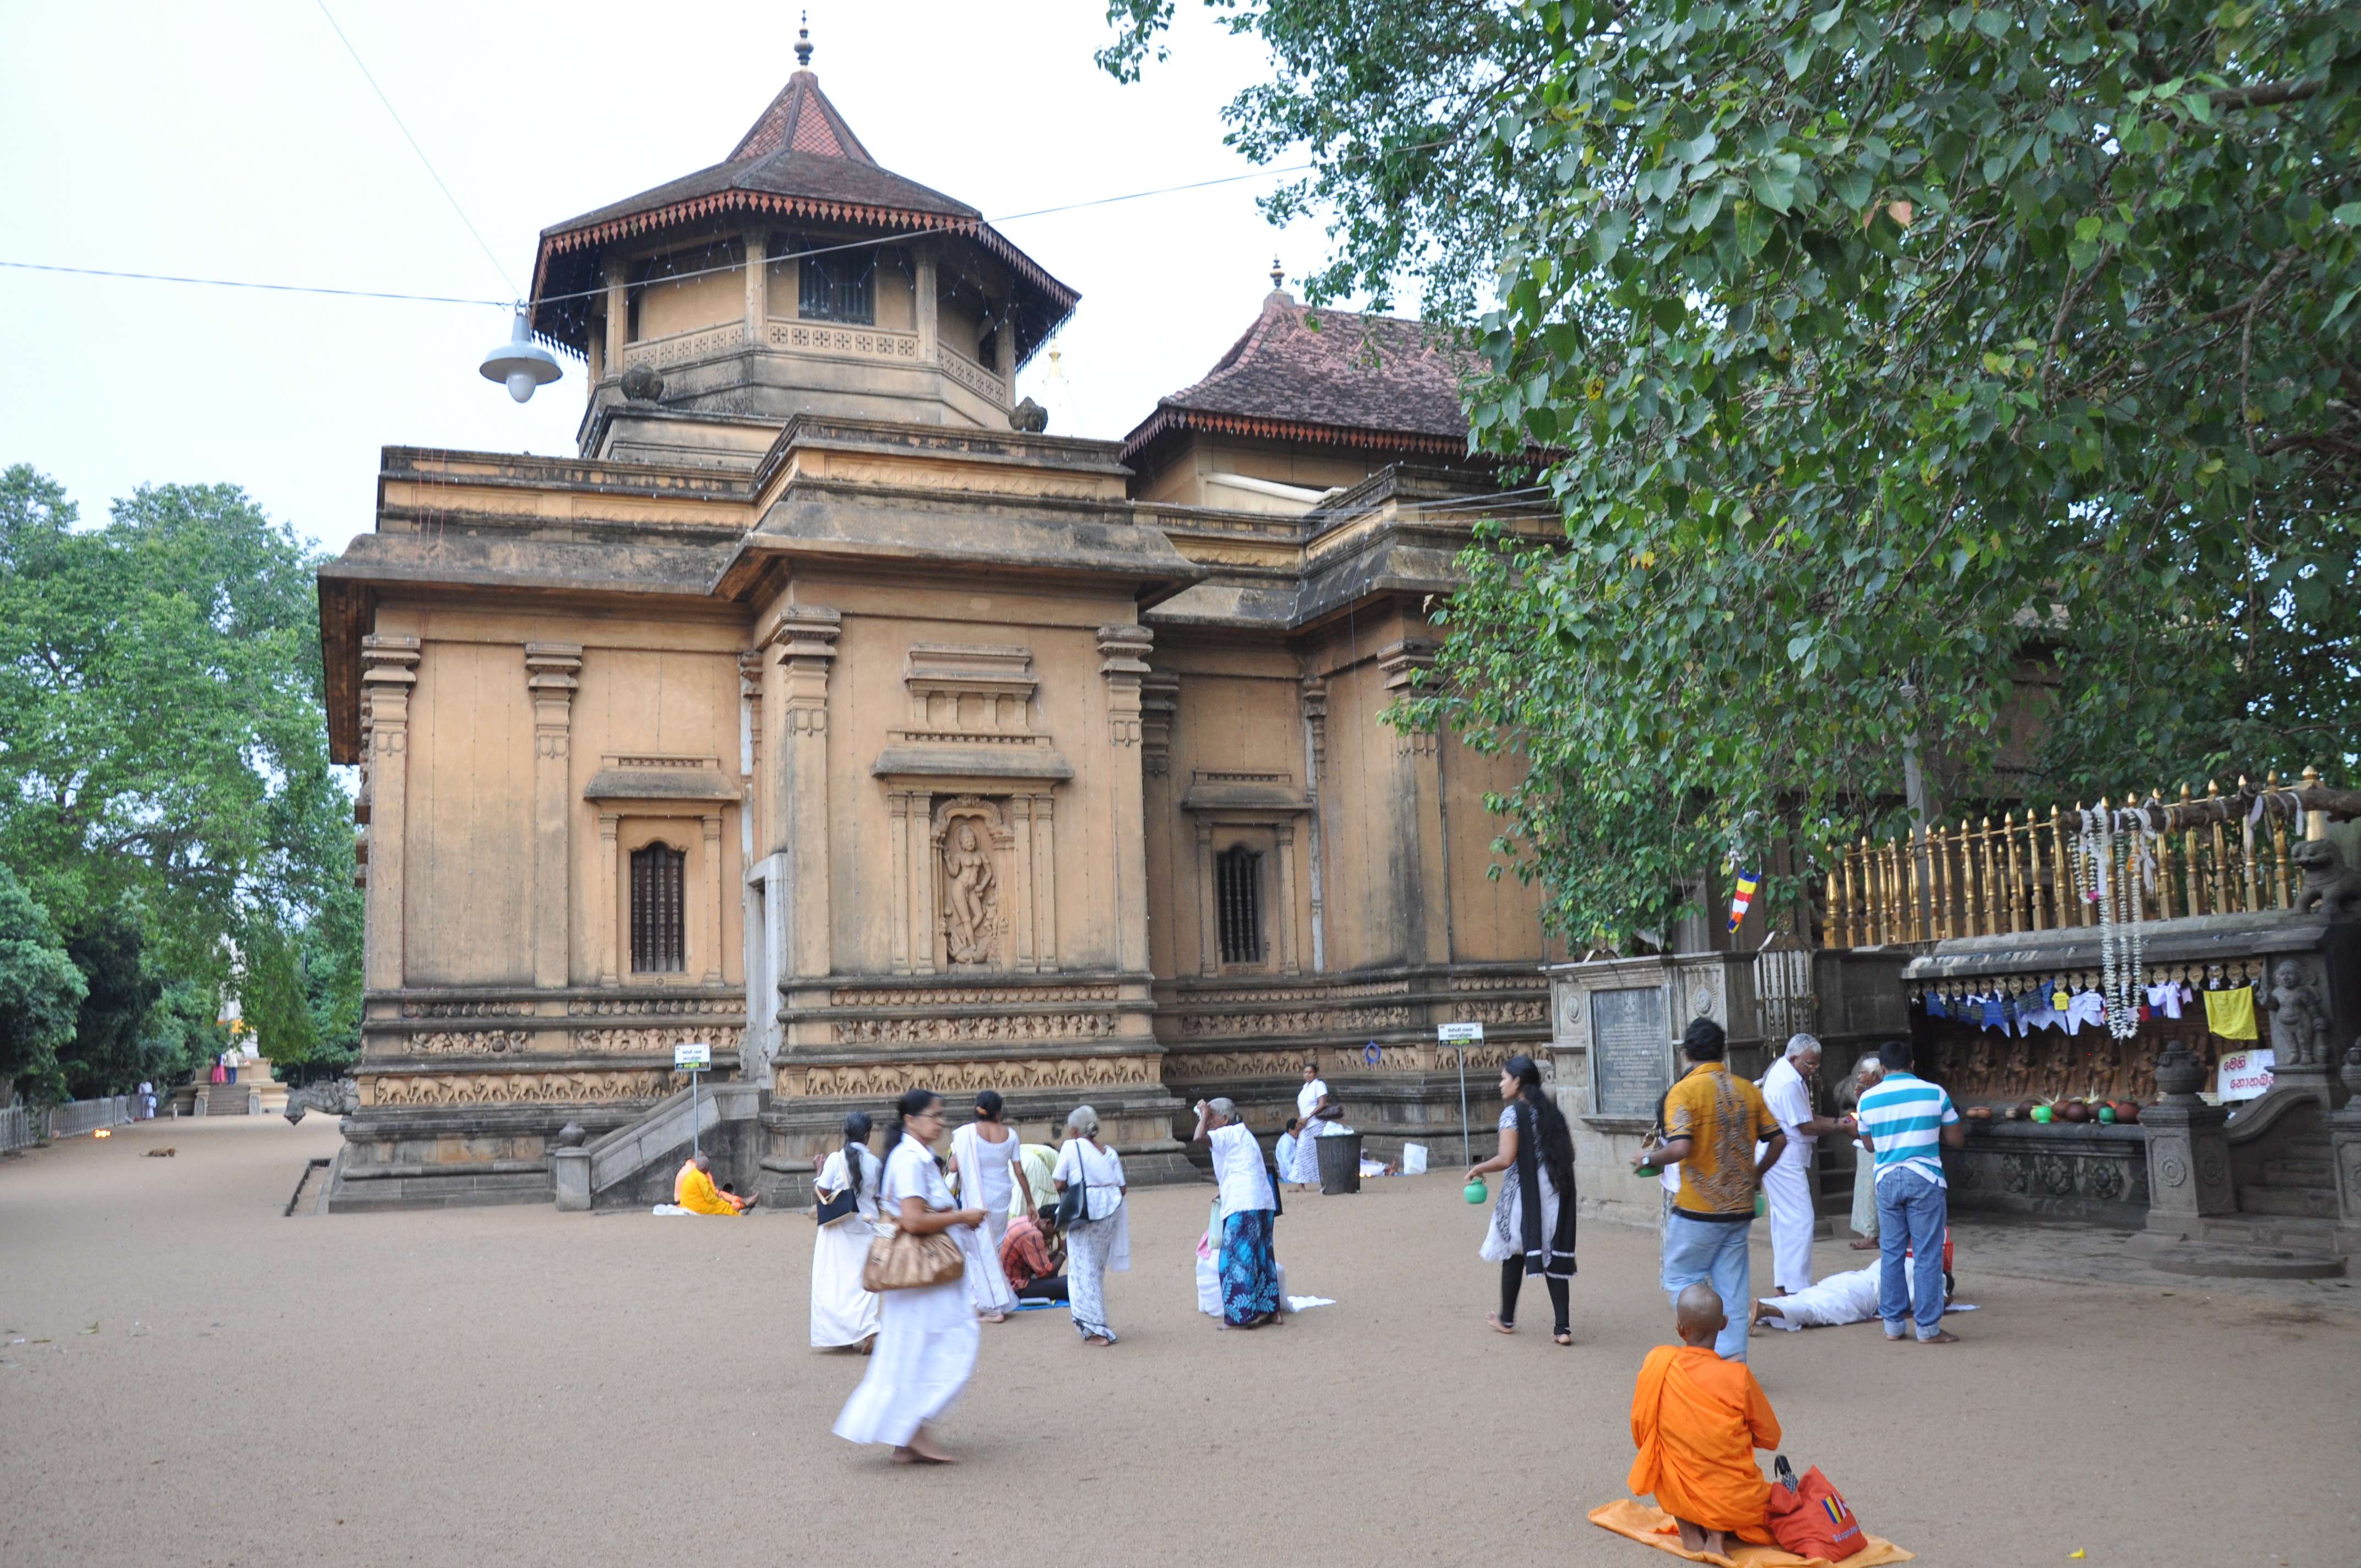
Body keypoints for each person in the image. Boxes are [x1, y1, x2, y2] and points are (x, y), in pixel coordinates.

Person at [833, 1088, 987, 1464]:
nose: (940, 1123)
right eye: (934, 1116)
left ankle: (907, 1433)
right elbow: (915, 1220)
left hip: (924, 1277)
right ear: (911, 1121)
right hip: (924, 1274)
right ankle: (911, 1429)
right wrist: (962, 1216)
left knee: (915, 1349)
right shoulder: (910, 1161)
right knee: (942, 1343)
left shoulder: (913, 1157)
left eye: (941, 1116)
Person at [1634, 1017, 1783, 1361]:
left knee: (1679, 1276)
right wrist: (1755, 1175)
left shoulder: (1683, 1092)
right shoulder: (1748, 1090)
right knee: (1732, 1286)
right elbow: (1779, 1140)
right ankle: (1733, 1363)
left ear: (1686, 1053)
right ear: (1724, 1050)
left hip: (1698, 1208)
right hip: (1740, 1207)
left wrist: (1646, 1159)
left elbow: (1681, 1147)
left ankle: (1702, 1348)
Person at [1628, 1283, 1785, 1558]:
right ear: (1724, 1324)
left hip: (1679, 1486)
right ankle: (1716, 1534)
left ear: (1679, 1328)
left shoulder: (1658, 1362)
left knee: (1663, 1453)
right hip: (1733, 1499)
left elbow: (1642, 1430)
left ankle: (1689, 1527)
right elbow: (1771, 1438)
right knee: (1728, 1467)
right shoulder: (1738, 1378)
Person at [1853, 1036, 1965, 1344]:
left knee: (1892, 1252)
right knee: (1928, 1254)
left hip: (1887, 1179)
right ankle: (1928, 1328)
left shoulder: (1868, 1100)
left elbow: (1869, 1144)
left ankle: (1893, 1326)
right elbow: (1957, 1139)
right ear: (1913, 1065)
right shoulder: (1935, 1093)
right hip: (1925, 1177)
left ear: (1883, 1068)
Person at [1464, 1054, 1579, 1344]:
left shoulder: (1513, 1114)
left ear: (1518, 1082)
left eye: (1504, 1078)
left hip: (1524, 1194)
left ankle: (1506, 1318)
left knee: (1513, 1250)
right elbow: (1571, 1154)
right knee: (1552, 1253)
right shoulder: (1553, 1113)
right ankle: (1562, 1329)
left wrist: (1478, 1167)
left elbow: (1506, 1158)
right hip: (1553, 1190)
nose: (1501, 1084)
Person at [1759, 1034, 1838, 1296]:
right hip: (1782, 1156)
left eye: (1816, 1065)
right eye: (1809, 1065)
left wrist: (1837, 1121)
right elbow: (1805, 1125)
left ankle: (1786, 1282)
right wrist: (1841, 1126)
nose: (1813, 1070)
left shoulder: (1791, 1075)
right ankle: (1795, 1286)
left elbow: (1806, 1116)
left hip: (1782, 1153)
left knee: (1786, 1219)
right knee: (1802, 1219)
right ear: (1793, 1058)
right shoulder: (1788, 1082)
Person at [1192, 1096, 1281, 1328]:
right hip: (1262, 1201)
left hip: (1244, 1204)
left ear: (1225, 1118)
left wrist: (1203, 1115)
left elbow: (1198, 1138)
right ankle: (1271, 1310)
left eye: (1212, 1118)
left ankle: (1240, 1317)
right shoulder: (1244, 1135)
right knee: (1262, 1257)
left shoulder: (1227, 1133)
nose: (1209, 1122)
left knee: (1233, 1261)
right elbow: (1243, 1168)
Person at [1753, 1231, 1953, 1331]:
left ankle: (1758, 1309)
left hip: (1850, 1279)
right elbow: (1940, 1301)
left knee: (1808, 1297)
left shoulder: (1897, 1260)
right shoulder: (1936, 1276)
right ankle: (1765, 1310)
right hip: (1865, 1295)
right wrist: (1949, 1296)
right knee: (1818, 1311)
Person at [1053, 1104, 1129, 1344]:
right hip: (1111, 1209)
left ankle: (1096, 1328)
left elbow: (1058, 1181)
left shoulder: (1071, 1146)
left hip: (1085, 1211)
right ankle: (1095, 1323)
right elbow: (1123, 1188)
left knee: (1081, 1268)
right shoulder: (1110, 1153)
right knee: (1094, 1268)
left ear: (1074, 1129)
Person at [946, 1091, 1021, 1323]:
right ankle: (985, 1301)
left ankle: (992, 1307)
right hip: (1001, 1198)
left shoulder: (966, 1135)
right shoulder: (1011, 1135)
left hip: (978, 1201)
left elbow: (953, 1167)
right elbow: (1019, 1171)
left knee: (978, 1251)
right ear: (999, 1112)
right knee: (991, 1250)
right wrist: (1031, 1203)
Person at [811, 1112, 883, 1351]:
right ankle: (869, 1328)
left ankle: (841, 1333)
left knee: (836, 1282)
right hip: (867, 1225)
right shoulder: (875, 1163)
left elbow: (822, 1191)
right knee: (864, 1282)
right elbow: (878, 1196)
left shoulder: (834, 1160)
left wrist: (818, 1172)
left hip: (839, 1226)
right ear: (867, 1136)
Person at [1838, 1053, 1885, 1250]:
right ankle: (1870, 1233)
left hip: (1873, 1147)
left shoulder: (1876, 1094)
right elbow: (1857, 1117)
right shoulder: (1868, 1095)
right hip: (1866, 1147)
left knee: (1870, 1192)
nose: (1859, 1077)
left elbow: (1863, 1118)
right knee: (1866, 1191)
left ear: (1875, 1076)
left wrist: (1858, 1103)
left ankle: (1871, 1235)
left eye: (1863, 1073)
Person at [1002, 1206, 1067, 1302]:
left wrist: (1059, 1251)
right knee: (1069, 1283)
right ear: (1048, 1223)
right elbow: (1045, 1274)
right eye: (1056, 1232)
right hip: (1016, 1288)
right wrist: (1063, 1252)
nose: (1055, 1236)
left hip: (1007, 1282)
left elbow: (1040, 1262)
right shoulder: (1033, 1235)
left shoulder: (1027, 1220)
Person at [1290, 1063, 1333, 1187]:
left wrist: (1308, 1117)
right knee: (1302, 1152)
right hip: (1306, 1125)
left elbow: (1322, 1104)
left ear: (1316, 1073)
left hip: (1316, 1124)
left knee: (1316, 1153)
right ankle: (1301, 1184)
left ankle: (1323, 1182)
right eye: (1306, 1072)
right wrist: (1300, 1120)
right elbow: (1304, 1107)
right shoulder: (1305, 1088)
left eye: (1310, 1072)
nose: (1308, 1075)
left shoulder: (1319, 1085)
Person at [674, 1152, 754, 1215]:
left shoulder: (695, 1169)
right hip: (688, 1204)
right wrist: (721, 1200)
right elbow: (710, 1197)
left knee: (721, 1195)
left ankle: (741, 1201)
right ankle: (741, 1206)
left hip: (694, 1199)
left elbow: (709, 1190)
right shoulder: (696, 1173)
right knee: (722, 1205)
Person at [1009, 1140, 1059, 1219]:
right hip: (1032, 1164)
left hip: (1012, 1161)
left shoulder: (1033, 1148)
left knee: (1015, 1198)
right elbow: (1059, 1184)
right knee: (1047, 1201)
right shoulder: (1057, 1156)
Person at [1274, 1117, 1303, 1193]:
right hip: (1290, 1176)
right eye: (1297, 1130)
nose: (1299, 1132)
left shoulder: (1293, 1140)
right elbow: (1286, 1162)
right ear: (1290, 1130)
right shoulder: (1286, 1142)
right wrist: (1297, 1176)